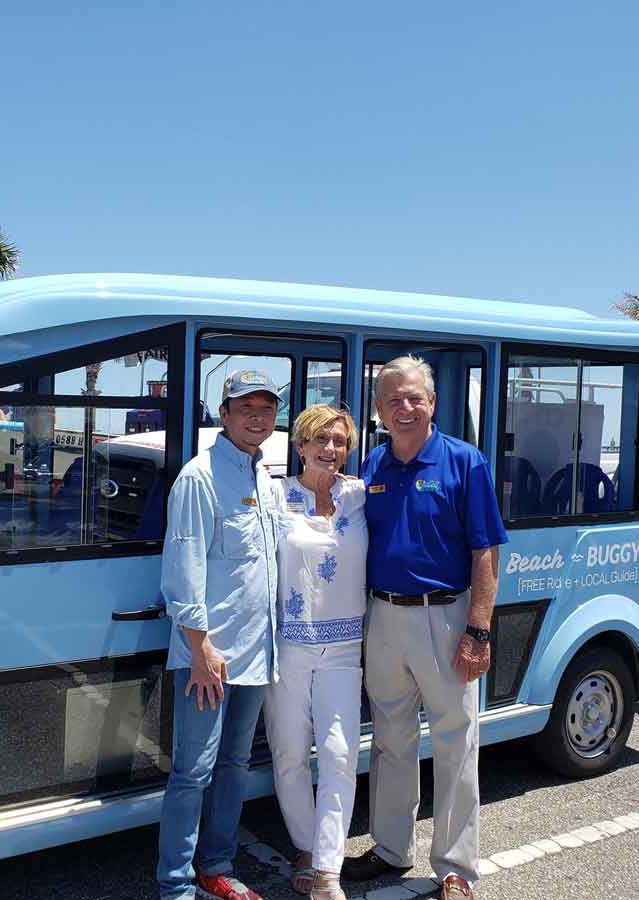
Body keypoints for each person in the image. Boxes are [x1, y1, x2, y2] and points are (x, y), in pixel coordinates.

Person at [343, 356, 507, 900]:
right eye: (394, 400)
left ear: (432, 403)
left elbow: (486, 551)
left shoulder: (465, 463)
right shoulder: (371, 468)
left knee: (456, 744)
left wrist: (478, 631)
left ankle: (456, 868)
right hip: (383, 617)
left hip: (447, 617)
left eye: (415, 398)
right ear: (379, 410)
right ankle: (391, 849)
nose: (406, 408)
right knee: (390, 739)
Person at [157, 370, 281, 900]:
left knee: (234, 765)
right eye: (244, 407)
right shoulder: (199, 477)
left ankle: (217, 866)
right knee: (192, 772)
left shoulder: (267, 479)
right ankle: (177, 885)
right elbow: (182, 567)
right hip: (208, 653)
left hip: (256, 651)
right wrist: (199, 646)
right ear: (223, 415)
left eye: (265, 408)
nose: (256, 417)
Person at [263, 405, 367, 900]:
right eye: (320, 440)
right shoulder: (276, 496)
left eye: (339, 441)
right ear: (300, 445)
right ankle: (305, 845)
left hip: (345, 648)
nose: (330, 449)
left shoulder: (360, 496)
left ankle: (328, 870)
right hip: (288, 646)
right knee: (288, 752)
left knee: (339, 754)